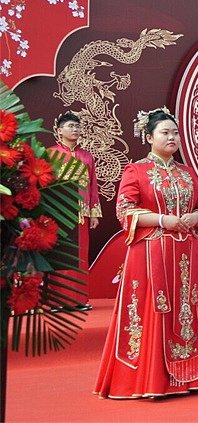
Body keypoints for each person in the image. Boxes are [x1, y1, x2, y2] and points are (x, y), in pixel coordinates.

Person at [94, 108, 198, 399]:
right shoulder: (136, 170)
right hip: (151, 252)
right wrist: (162, 220)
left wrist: (197, 217)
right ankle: (149, 379)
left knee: (186, 311)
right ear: (149, 136)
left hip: (185, 254)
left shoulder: (188, 173)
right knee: (153, 311)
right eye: (165, 132)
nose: (172, 137)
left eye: (175, 133)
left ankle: (189, 376)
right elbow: (124, 211)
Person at [48, 111, 102, 311]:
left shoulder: (87, 156)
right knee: (60, 255)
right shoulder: (51, 154)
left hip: (82, 213)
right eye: (71, 126)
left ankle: (79, 299)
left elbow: (93, 185)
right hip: (59, 213)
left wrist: (94, 212)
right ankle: (56, 301)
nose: (75, 129)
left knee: (79, 256)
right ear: (59, 130)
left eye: (78, 126)